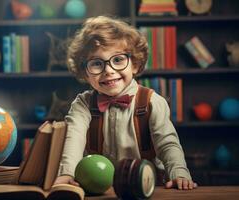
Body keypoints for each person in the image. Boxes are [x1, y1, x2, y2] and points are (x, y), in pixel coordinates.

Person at [54, 15, 197, 190]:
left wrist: (179, 174)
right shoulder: (82, 104)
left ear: (135, 64)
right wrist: (67, 173)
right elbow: (73, 137)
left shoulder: (152, 101)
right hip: (97, 188)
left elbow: (167, 143)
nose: (109, 70)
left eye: (118, 60)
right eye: (97, 63)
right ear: (85, 73)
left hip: (146, 186)